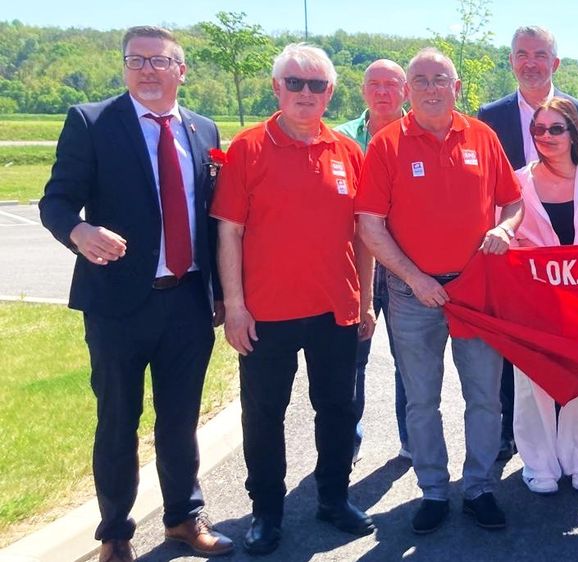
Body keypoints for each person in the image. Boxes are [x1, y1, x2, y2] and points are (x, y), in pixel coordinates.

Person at [38, 25, 233, 562]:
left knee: (180, 420)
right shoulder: (92, 121)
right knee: (118, 420)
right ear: (124, 68)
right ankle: (116, 533)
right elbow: (55, 202)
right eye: (136, 60)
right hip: (118, 304)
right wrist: (78, 233)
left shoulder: (202, 127)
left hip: (187, 302)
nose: (147, 70)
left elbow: (209, 219)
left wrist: (219, 290)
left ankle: (182, 519)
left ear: (181, 70)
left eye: (159, 61)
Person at [211, 43, 376, 555]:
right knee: (264, 416)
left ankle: (333, 497)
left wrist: (366, 300)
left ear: (331, 92)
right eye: (296, 83)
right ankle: (267, 510)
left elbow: (362, 236)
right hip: (266, 314)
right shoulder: (248, 147)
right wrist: (235, 307)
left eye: (317, 85)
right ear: (276, 87)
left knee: (337, 409)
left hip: (336, 309)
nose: (306, 93)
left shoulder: (349, 152)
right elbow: (229, 233)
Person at [356, 47, 524, 534]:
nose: (432, 87)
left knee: (485, 398)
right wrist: (414, 278)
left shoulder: (482, 136)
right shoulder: (388, 144)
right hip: (413, 295)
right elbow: (370, 224)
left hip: (475, 292)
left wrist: (506, 230)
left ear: (457, 87)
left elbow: (513, 204)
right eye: (422, 80)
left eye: (441, 79)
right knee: (421, 400)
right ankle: (433, 489)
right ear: (409, 90)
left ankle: (479, 487)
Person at [477, 25, 578, 460]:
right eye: (522, 54)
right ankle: (527, 447)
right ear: (511, 60)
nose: (531, 62)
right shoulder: (488, 116)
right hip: (521, 269)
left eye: (540, 54)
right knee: (524, 368)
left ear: (556, 62)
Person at [512, 98, 578, 495]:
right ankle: (538, 464)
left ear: (573, 133)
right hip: (531, 303)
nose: (547, 137)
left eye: (557, 129)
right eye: (540, 130)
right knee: (532, 383)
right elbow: (507, 235)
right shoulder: (517, 182)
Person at [333, 58, 411, 462]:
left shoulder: (417, 135)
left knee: (409, 355)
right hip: (353, 261)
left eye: (391, 84)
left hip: (404, 261)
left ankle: (412, 440)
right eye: (374, 84)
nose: (382, 92)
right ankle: (349, 438)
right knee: (353, 355)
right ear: (363, 90)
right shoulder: (340, 139)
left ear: (406, 91)